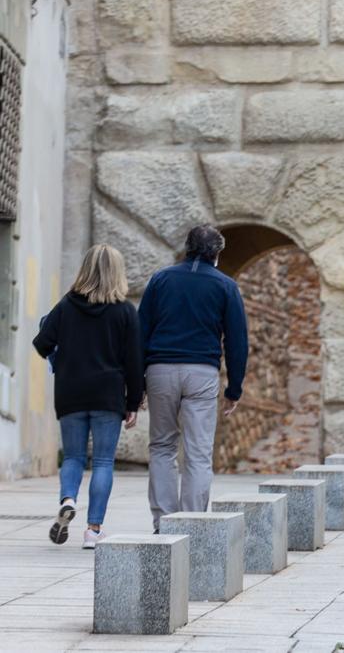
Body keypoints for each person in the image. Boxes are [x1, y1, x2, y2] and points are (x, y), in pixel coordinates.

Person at [32, 245, 143, 548]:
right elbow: (135, 362)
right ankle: (93, 530)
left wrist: (61, 357)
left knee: (73, 457)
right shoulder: (124, 311)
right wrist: (134, 402)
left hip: (71, 391)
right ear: (117, 272)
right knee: (104, 461)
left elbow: (41, 343)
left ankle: (68, 500)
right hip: (108, 394)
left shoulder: (67, 305)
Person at [140, 225, 248, 531]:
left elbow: (140, 331)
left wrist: (136, 385)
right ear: (217, 253)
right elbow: (237, 340)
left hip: (160, 370)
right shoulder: (225, 286)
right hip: (202, 373)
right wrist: (234, 388)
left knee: (162, 446)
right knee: (198, 450)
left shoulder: (161, 279)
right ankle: (190, 524)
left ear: (186, 248)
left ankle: (163, 520)